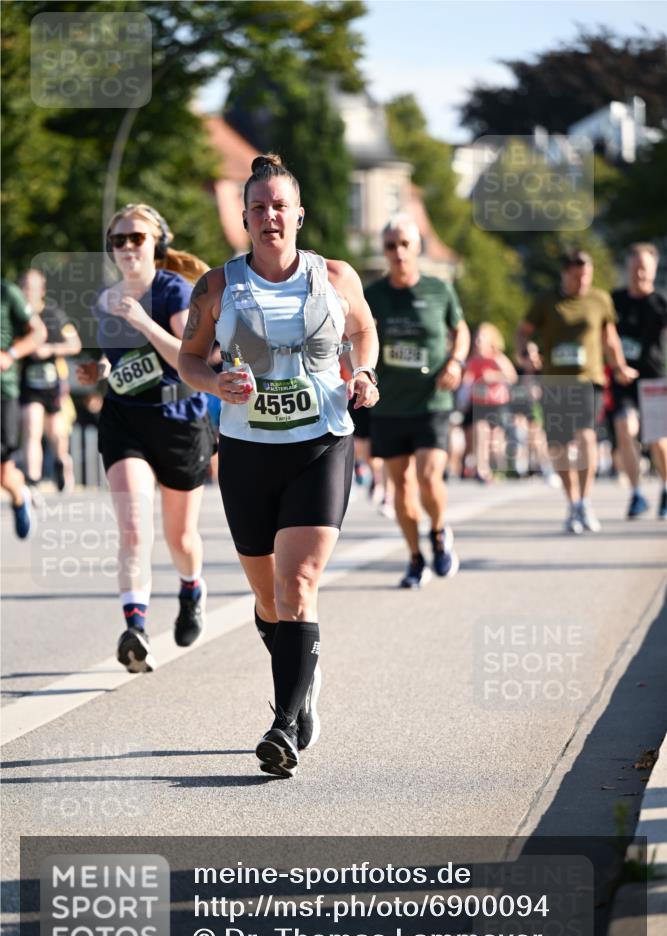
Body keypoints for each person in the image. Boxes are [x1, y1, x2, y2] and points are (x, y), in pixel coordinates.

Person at [178, 153, 379, 778]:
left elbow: (364, 331)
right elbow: (189, 359)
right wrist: (215, 382)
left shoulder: (335, 276)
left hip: (320, 443)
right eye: (258, 207)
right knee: (268, 599)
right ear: (244, 217)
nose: (270, 216)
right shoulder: (216, 286)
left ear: (299, 215)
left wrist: (364, 373)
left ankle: (283, 725)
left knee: (299, 585)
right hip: (246, 452)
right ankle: (303, 678)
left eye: (280, 206)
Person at [76, 204, 216, 672]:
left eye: (137, 237)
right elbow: (117, 361)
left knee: (181, 538)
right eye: (118, 240)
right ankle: (135, 629)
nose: (127, 247)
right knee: (134, 526)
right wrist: (98, 370)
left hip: (179, 419)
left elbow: (190, 360)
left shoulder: (175, 291)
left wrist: (142, 321)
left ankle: (192, 588)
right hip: (125, 418)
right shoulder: (104, 299)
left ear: (158, 243)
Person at [365, 214, 470, 588]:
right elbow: (357, 334)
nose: (398, 252)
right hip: (389, 404)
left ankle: (439, 532)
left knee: (427, 476)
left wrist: (456, 362)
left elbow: (461, 331)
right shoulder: (374, 295)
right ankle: (414, 557)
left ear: (418, 247)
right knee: (402, 487)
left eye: (405, 244)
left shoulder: (439, 290)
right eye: (391, 246)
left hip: (432, 401)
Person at [516, 249, 637, 534]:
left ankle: (584, 500)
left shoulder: (599, 300)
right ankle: (572, 502)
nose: (582, 281)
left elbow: (609, 338)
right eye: (576, 276)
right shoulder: (546, 301)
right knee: (558, 444)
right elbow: (523, 331)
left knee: (586, 436)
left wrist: (619, 366)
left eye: (586, 276)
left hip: (588, 379)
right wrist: (524, 354)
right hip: (554, 381)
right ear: (564, 274)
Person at [611, 244, 667, 519]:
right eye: (634, 268)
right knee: (624, 427)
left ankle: (666, 488)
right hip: (623, 378)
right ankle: (636, 494)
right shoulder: (614, 301)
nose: (639, 273)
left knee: (658, 440)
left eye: (644, 268)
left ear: (654, 269)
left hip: (654, 379)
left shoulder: (661, 303)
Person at [19, 269, 82, 494]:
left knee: (56, 433)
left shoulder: (55, 314)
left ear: (42, 290)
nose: (28, 292)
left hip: (53, 383)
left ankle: (62, 464)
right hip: (28, 383)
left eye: (32, 288)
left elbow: (75, 345)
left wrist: (49, 349)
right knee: (31, 427)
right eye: (24, 287)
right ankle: (33, 481)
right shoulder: (17, 314)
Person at [0, 279, 47, 537]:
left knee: (4, 473)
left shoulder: (7, 292)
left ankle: (19, 496)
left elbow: (38, 333)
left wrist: (11, 355)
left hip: (3, 391)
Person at [462, 323, 517, 483]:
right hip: (478, 403)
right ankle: (481, 469)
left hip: (497, 404)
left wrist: (493, 376)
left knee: (494, 441)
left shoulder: (497, 358)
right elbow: (466, 380)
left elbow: (512, 377)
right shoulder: (474, 359)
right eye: (476, 338)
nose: (478, 341)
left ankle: (498, 468)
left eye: (482, 338)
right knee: (480, 433)